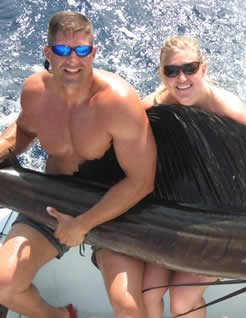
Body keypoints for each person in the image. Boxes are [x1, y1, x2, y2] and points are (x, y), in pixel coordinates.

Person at [0, 11, 157, 318]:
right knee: (4, 285)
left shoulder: (119, 101)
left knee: (126, 306)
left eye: (81, 50)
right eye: (62, 50)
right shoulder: (35, 91)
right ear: (48, 52)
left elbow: (142, 181)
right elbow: (23, 131)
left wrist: (83, 224)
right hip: (53, 204)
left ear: (93, 52)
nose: (72, 60)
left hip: (112, 210)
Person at [141, 36, 246, 318]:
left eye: (190, 68)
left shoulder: (227, 109)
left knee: (182, 299)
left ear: (204, 69)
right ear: (162, 75)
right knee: (149, 292)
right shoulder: (152, 107)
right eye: (172, 71)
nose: (181, 77)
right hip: (170, 216)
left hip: (217, 224)